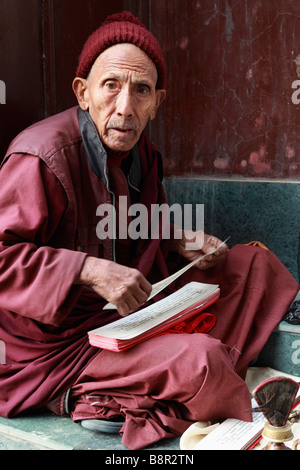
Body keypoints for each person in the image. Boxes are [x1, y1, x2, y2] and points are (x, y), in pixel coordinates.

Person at [0, 12, 298, 450]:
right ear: (83, 93)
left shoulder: (142, 154)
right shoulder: (42, 157)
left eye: (141, 91)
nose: (125, 107)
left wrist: (178, 239)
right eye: (111, 86)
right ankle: (90, 394)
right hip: (65, 346)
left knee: (255, 265)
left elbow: (132, 232)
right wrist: (88, 271)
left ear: (156, 102)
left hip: (135, 315)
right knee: (204, 362)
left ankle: (148, 383)